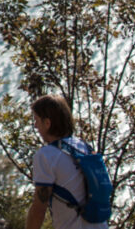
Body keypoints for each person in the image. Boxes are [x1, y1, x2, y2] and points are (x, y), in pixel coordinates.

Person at [28, 94, 107, 229]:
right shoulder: (84, 147)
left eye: (36, 120)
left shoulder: (46, 155)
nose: (35, 126)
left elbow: (39, 207)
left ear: (47, 123)